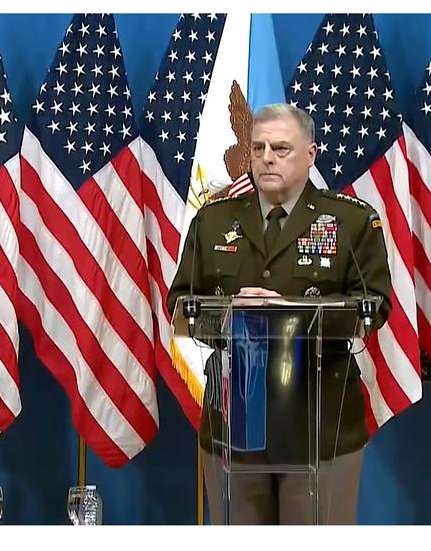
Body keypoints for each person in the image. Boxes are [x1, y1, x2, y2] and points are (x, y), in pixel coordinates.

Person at [167, 103, 392, 524]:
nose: (267, 157)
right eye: (259, 147)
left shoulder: (350, 221)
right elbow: (181, 304)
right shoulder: (214, 220)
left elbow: (373, 306)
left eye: (281, 149)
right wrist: (230, 314)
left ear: (311, 155)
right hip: (234, 420)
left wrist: (292, 314)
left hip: (321, 421)